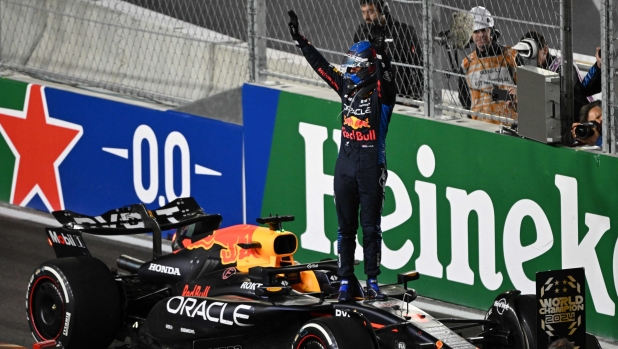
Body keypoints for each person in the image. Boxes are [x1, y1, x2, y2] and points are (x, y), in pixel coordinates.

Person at [287, 10, 396, 302]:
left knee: (371, 228)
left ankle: (372, 281)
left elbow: (389, 81)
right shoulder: (347, 87)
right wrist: (301, 41)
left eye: (354, 65)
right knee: (345, 228)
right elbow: (322, 67)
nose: (348, 70)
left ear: (367, 68)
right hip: (345, 165)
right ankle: (346, 280)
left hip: (371, 166)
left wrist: (383, 55)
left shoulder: (382, 97)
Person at [512, 31, 601, 118]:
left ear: (545, 50)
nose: (529, 58)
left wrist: (525, 94)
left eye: (534, 53)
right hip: (553, 116)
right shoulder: (527, 66)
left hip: (577, 113)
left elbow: (555, 93)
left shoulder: (562, 65)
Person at [458, 6, 521, 124]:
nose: (480, 35)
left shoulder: (511, 56)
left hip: (510, 126)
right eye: (476, 31)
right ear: (471, 35)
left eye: (484, 30)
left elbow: (527, 88)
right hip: (481, 127)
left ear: (491, 31)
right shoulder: (466, 64)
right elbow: (464, 98)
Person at [353, 0, 423, 103]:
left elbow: (419, 66)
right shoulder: (361, 32)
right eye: (363, 12)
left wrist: (416, 98)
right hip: (369, 95)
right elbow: (355, 63)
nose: (366, 16)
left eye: (370, 12)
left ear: (383, 11)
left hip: (398, 97)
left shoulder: (404, 32)